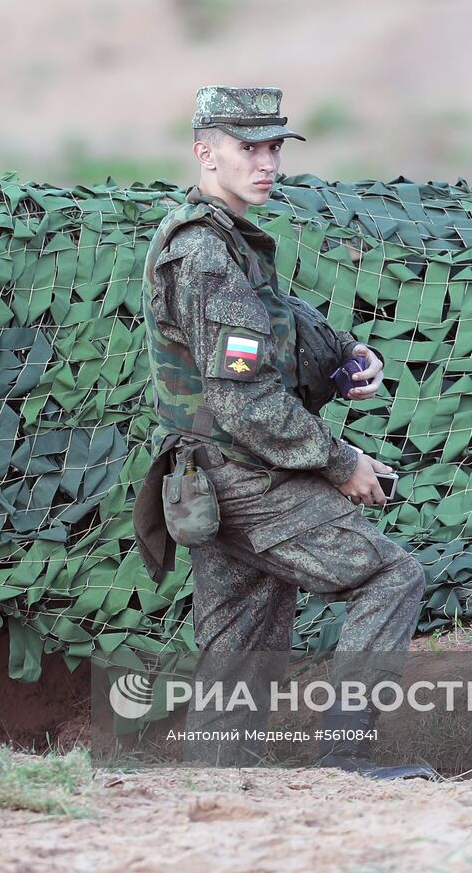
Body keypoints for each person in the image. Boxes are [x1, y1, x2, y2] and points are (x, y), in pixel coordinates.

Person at [133, 86, 432, 780]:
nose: (266, 163)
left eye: (274, 148)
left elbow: (279, 326)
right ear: (207, 153)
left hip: (214, 474)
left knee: (242, 639)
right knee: (391, 574)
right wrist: (341, 461)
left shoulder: (227, 241)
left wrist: (348, 357)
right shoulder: (204, 254)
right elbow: (244, 403)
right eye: (249, 148)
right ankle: (348, 760)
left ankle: (213, 789)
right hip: (241, 472)